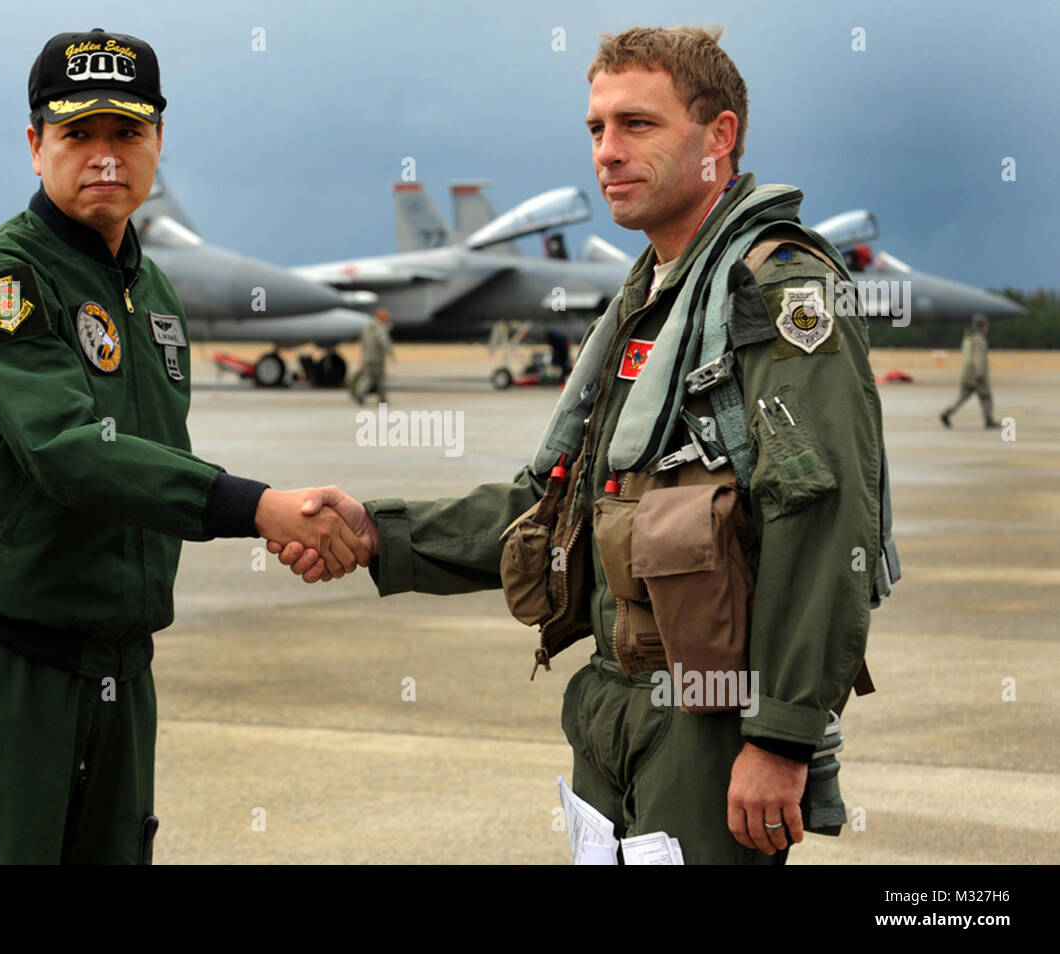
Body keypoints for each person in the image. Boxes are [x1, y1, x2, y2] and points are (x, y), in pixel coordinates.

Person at [273, 26, 884, 864]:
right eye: (595, 129)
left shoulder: (776, 294)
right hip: (610, 704)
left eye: (637, 125)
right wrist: (380, 532)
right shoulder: (650, 302)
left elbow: (821, 520)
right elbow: (556, 508)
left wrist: (780, 736)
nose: (607, 152)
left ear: (720, 136)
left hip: (708, 720)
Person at [0, 27, 370, 864]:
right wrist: (254, 505)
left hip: (119, 657)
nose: (105, 156)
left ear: (158, 143)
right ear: (35, 145)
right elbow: (71, 450)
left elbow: (144, 449)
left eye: (128, 133)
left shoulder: (147, 287)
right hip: (8, 657)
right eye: (78, 133)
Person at [940, 314, 999, 428]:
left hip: (966, 373)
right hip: (976, 374)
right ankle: (989, 420)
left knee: (962, 397)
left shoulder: (968, 337)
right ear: (982, 326)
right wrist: (980, 373)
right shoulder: (979, 339)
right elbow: (978, 357)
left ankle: (946, 413)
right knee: (986, 397)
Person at [351, 307, 394, 405]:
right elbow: (382, 340)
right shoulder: (379, 327)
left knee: (370, 377)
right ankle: (375, 397)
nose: (388, 319)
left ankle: (367, 395)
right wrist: (390, 351)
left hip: (368, 357)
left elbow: (364, 343)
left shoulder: (368, 326)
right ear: (381, 317)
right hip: (377, 358)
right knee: (378, 378)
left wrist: (364, 358)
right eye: (386, 317)